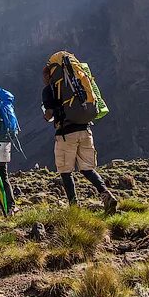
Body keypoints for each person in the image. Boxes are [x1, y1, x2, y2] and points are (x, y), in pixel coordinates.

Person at [42, 61, 118, 213]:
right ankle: (106, 194)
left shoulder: (50, 89)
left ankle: (74, 207)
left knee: (65, 171)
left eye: (44, 76)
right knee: (87, 169)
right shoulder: (77, 83)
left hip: (66, 134)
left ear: (49, 74)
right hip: (85, 129)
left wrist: (47, 114)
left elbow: (49, 114)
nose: (43, 79)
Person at [0, 88, 19, 216]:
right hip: (6, 141)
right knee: (3, 174)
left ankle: (2, 207)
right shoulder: (6, 106)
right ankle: (11, 206)